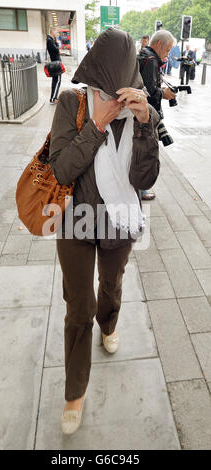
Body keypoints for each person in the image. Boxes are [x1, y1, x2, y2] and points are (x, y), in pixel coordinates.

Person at [48, 27, 160, 435]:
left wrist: (146, 123)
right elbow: (61, 169)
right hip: (75, 220)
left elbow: (145, 177)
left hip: (119, 224)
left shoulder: (141, 112)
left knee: (111, 285)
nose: (114, 96)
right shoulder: (72, 102)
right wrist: (97, 125)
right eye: (105, 86)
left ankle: (110, 325)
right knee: (79, 305)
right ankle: (75, 391)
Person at [138, 29, 176, 201]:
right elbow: (149, 91)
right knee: (148, 152)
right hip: (146, 114)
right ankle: (142, 188)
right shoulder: (151, 60)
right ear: (159, 45)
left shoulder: (143, 55)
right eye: (167, 50)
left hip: (140, 112)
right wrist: (164, 94)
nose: (167, 54)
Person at [46, 27, 62, 104]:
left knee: (56, 81)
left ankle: (54, 97)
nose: (57, 34)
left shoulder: (51, 40)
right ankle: (53, 98)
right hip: (55, 63)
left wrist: (55, 41)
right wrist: (57, 42)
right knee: (57, 81)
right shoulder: (49, 40)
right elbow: (57, 50)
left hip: (56, 62)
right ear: (52, 31)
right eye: (56, 32)